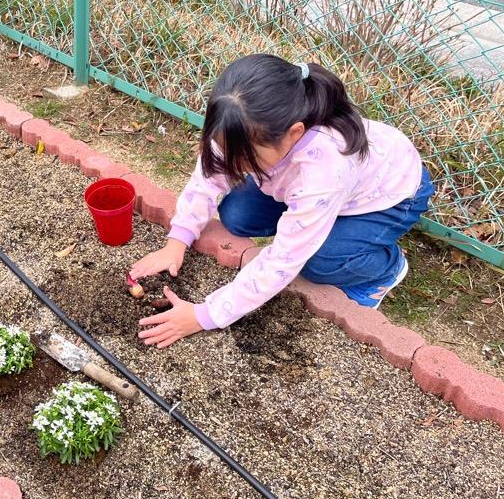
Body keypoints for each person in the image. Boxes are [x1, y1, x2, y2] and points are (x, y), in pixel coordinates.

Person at [131, 54, 434, 348]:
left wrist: (205, 315)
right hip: (307, 187)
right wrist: (177, 241)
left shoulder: (323, 169)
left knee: (318, 263)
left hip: (388, 197)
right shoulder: (238, 124)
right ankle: (312, 220)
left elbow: (284, 260)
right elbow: (208, 178)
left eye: (248, 159)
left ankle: (386, 269)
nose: (235, 166)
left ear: (293, 134)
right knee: (236, 215)